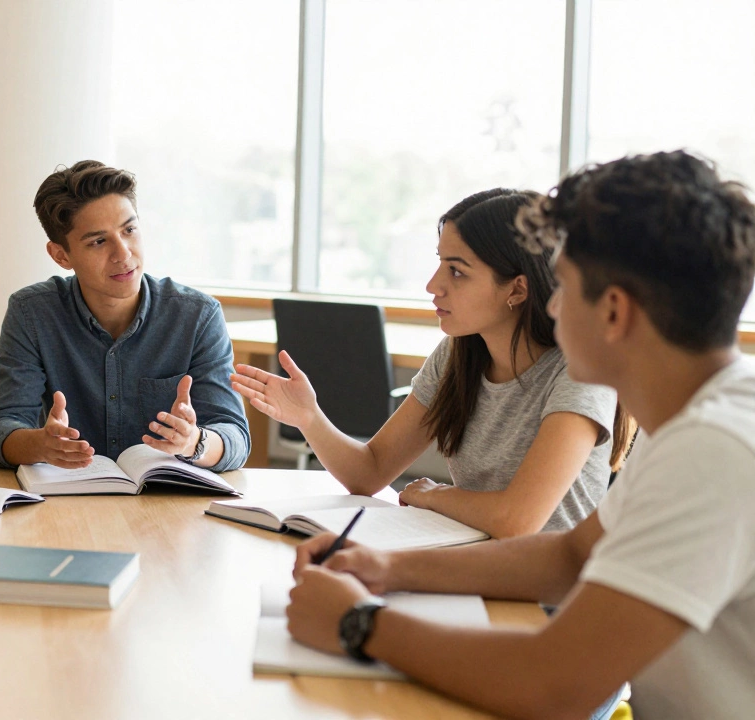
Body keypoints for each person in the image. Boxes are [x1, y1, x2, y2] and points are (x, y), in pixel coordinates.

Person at [286, 151, 755, 720]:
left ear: (613, 311)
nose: (551, 304)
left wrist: (358, 623)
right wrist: (385, 568)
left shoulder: (717, 449)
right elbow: (571, 554)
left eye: (565, 286)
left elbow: (557, 682)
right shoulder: (701, 423)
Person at [232, 189, 631, 537]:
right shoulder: (457, 355)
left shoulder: (580, 371)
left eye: (456, 271)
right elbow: (369, 473)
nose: (432, 285)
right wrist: (310, 418)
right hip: (471, 565)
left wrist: (436, 496)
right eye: (440, 263)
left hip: (546, 602)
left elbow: (517, 521)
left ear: (517, 289)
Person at [0, 160, 250, 471]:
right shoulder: (32, 313)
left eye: (129, 230)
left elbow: (235, 436)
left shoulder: (198, 316)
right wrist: (40, 445)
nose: (123, 253)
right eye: (98, 241)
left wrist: (194, 442)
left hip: (167, 504)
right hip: (67, 505)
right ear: (61, 255)